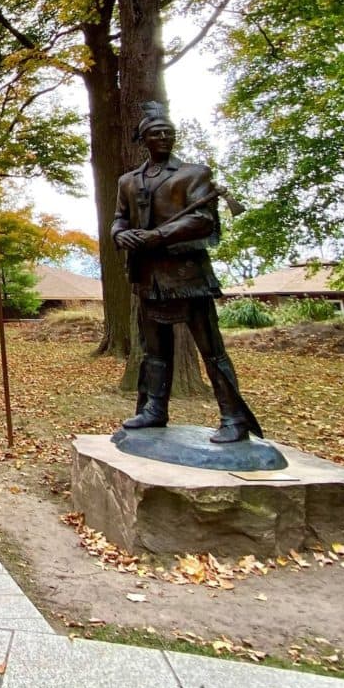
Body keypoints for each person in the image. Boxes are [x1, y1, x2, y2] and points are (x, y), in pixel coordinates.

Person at [112, 102, 262, 443]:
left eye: (168, 132)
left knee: (212, 350)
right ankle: (154, 409)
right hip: (147, 275)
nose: (164, 138)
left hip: (187, 275)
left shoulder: (194, 174)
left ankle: (234, 417)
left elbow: (203, 220)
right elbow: (119, 218)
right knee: (154, 350)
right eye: (156, 133)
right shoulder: (128, 182)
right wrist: (121, 235)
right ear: (143, 139)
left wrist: (158, 235)